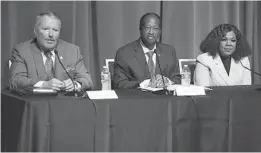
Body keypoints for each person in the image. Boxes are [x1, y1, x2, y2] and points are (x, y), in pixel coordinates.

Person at [9, 11, 92, 91]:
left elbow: (86, 80)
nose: (51, 34)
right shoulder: (22, 51)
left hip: (65, 103)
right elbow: (16, 80)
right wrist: (44, 85)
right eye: (45, 29)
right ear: (35, 31)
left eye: (55, 30)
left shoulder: (72, 51)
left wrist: (75, 84)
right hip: (35, 103)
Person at [113, 12, 181, 89]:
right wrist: (143, 84)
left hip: (165, 99)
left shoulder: (169, 51)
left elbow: (178, 79)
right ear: (140, 29)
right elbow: (119, 83)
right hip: (137, 98)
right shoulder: (124, 53)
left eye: (155, 28)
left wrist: (167, 81)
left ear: (160, 31)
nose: (151, 32)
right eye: (147, 27)